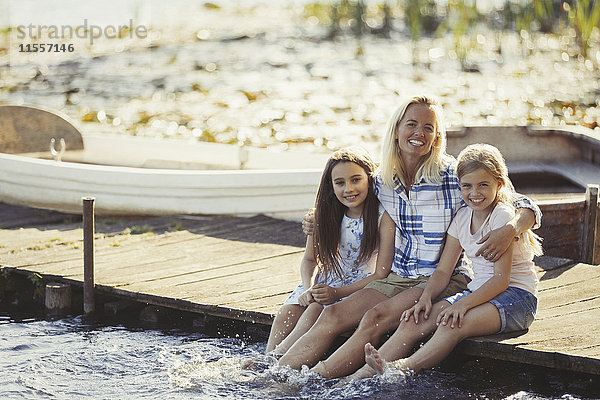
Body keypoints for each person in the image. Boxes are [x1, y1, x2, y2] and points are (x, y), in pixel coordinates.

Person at [277, 95, 541, 379]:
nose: (419, 133)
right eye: (412, 124)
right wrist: (314, 219)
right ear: (396, 129)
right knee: (331, 315)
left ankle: (318, 381)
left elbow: (523, 204)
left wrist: (511, 229)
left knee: (374, 318)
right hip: (397, 276)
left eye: (428, 127)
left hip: (442, 278)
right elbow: (345, 199)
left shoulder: (453, 177)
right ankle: (276, 371)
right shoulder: (382, 182)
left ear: (437, 135)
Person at [355, 143, 542, 378]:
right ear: (459, 186)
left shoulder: (502, 216)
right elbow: (444, 271)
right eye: (467, 186)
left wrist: (461, 305)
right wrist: (425, 298)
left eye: (483, 185)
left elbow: (500, 280)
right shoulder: (463, 217)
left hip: (517, 298)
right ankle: (364, 374)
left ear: (499, 184)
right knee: (415, 320)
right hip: (478, 292)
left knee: (452, 324)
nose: (475, 193)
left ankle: (401, 369)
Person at [265, 147, 396, 357]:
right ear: (331, 185)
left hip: (361, 285)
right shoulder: (323, 215)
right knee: (287, 312)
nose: (349, 189)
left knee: (316, 309)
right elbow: (309, 259)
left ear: (369, 180)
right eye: (340, 182)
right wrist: (309, 288)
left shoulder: (382, 217)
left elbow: (381, 274)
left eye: (356, 180)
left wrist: (335, 293)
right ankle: (267, 357)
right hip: (326, 280)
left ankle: (275, 360)